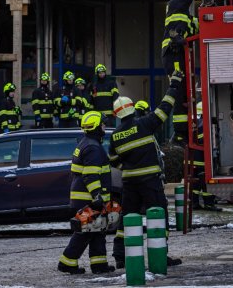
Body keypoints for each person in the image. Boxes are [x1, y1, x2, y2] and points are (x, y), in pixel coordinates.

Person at [110, 70, 185, 269]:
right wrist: (174, 85)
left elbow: (112, 160)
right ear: (132, 109)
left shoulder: (115, 136)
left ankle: (119, 256)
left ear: (117, 114)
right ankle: (160, 255)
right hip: (150, 181)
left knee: (128, 218)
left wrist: (128, 167)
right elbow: (164, 108)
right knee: (158, 215)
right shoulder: (144, 124)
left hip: (129, 184)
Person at [161, 0, 212, 145]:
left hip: (177, 54)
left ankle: (184, 132)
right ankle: (180, 133)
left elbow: (201, 25)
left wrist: (211, 9)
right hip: (173, 53)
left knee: (184, 94)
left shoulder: (185, 17)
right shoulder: (176, 4)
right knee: (179, 90)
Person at [57, 111, 115, 275]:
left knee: (97, 231)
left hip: (84, 197)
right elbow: (90, 175)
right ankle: (66, 262)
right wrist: (97, 196)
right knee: (85, 232)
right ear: (96, 126)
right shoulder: (93, 147)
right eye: (102, 124)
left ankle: (99, 265)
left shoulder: (86, 143)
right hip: (89, 198)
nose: (104, 126)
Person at [191, 101, 220, 211]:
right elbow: (206, 140)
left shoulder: (194, 122)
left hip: (193, 160)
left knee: (195, 184)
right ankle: (209, 204)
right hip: (202, 159)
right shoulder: (204, 124)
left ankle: (194, 204)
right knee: (206, 183)